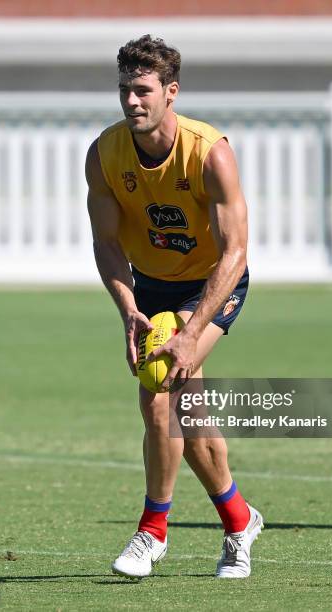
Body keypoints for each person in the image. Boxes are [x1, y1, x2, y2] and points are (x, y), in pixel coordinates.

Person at [86, 34, 263, 579]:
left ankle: (152, 531)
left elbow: (235, 253)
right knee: (189, 408)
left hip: (214, 283)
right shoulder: (104, 154)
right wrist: (128, 310)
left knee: (159, 388)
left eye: (143, 90)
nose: (132, 101)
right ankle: (239, 520)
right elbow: (107, 244)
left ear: (171, 91)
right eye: (124, 90)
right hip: (151, 287)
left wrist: (191, 331)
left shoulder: (209, 152)